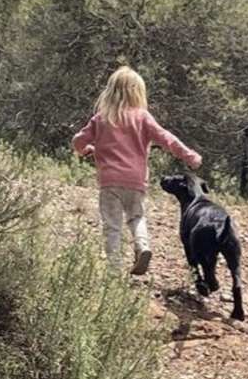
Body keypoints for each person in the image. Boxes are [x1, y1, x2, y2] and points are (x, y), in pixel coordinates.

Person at [72, 66, 202, 274]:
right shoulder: (142, 117)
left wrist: (85, 149)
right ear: (138, 92)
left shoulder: (101, 118)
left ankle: (114, 268)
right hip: (135, 181)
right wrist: (189, 155)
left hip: (109, 182)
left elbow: (78, 141)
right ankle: (142, 245)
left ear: (111, 91)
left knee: (112, 225)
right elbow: (166, 138)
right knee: (136, 218)